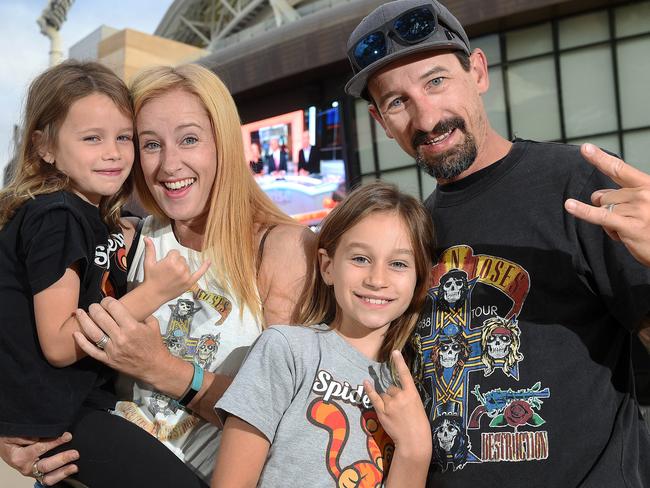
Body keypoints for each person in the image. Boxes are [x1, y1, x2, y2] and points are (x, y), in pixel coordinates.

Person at [345, 0, 650, 486]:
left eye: (436, 81)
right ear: (381, 122)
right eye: (397, 102)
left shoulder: (576, 184)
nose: (426, 118)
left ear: (479, 72)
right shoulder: (407, 237)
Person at [0, 64, 312, 486]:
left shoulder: (283, 247)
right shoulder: (122, 238)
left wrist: (162, 368)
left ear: (223, 142)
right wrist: (13, 432)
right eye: (150, 144)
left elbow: (291, 417)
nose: (169, 164)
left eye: (189, 139)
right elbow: (18, 320)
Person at [0, 60, 213, 488]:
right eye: (92, 138)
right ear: (44, 146)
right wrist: (153, 292)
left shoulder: (88, 215)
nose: (113, 152)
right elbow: (60, 343)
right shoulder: (57, 215)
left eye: (124, 138)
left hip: (70, 414)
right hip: (61, 419)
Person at [211, 182, 433, 487]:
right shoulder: (286, 350)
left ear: (419, 279)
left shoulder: (413, 385)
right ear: (327, 267)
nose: (377, 279)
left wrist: (415, 450)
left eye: (397, 263)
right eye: (360, 258)